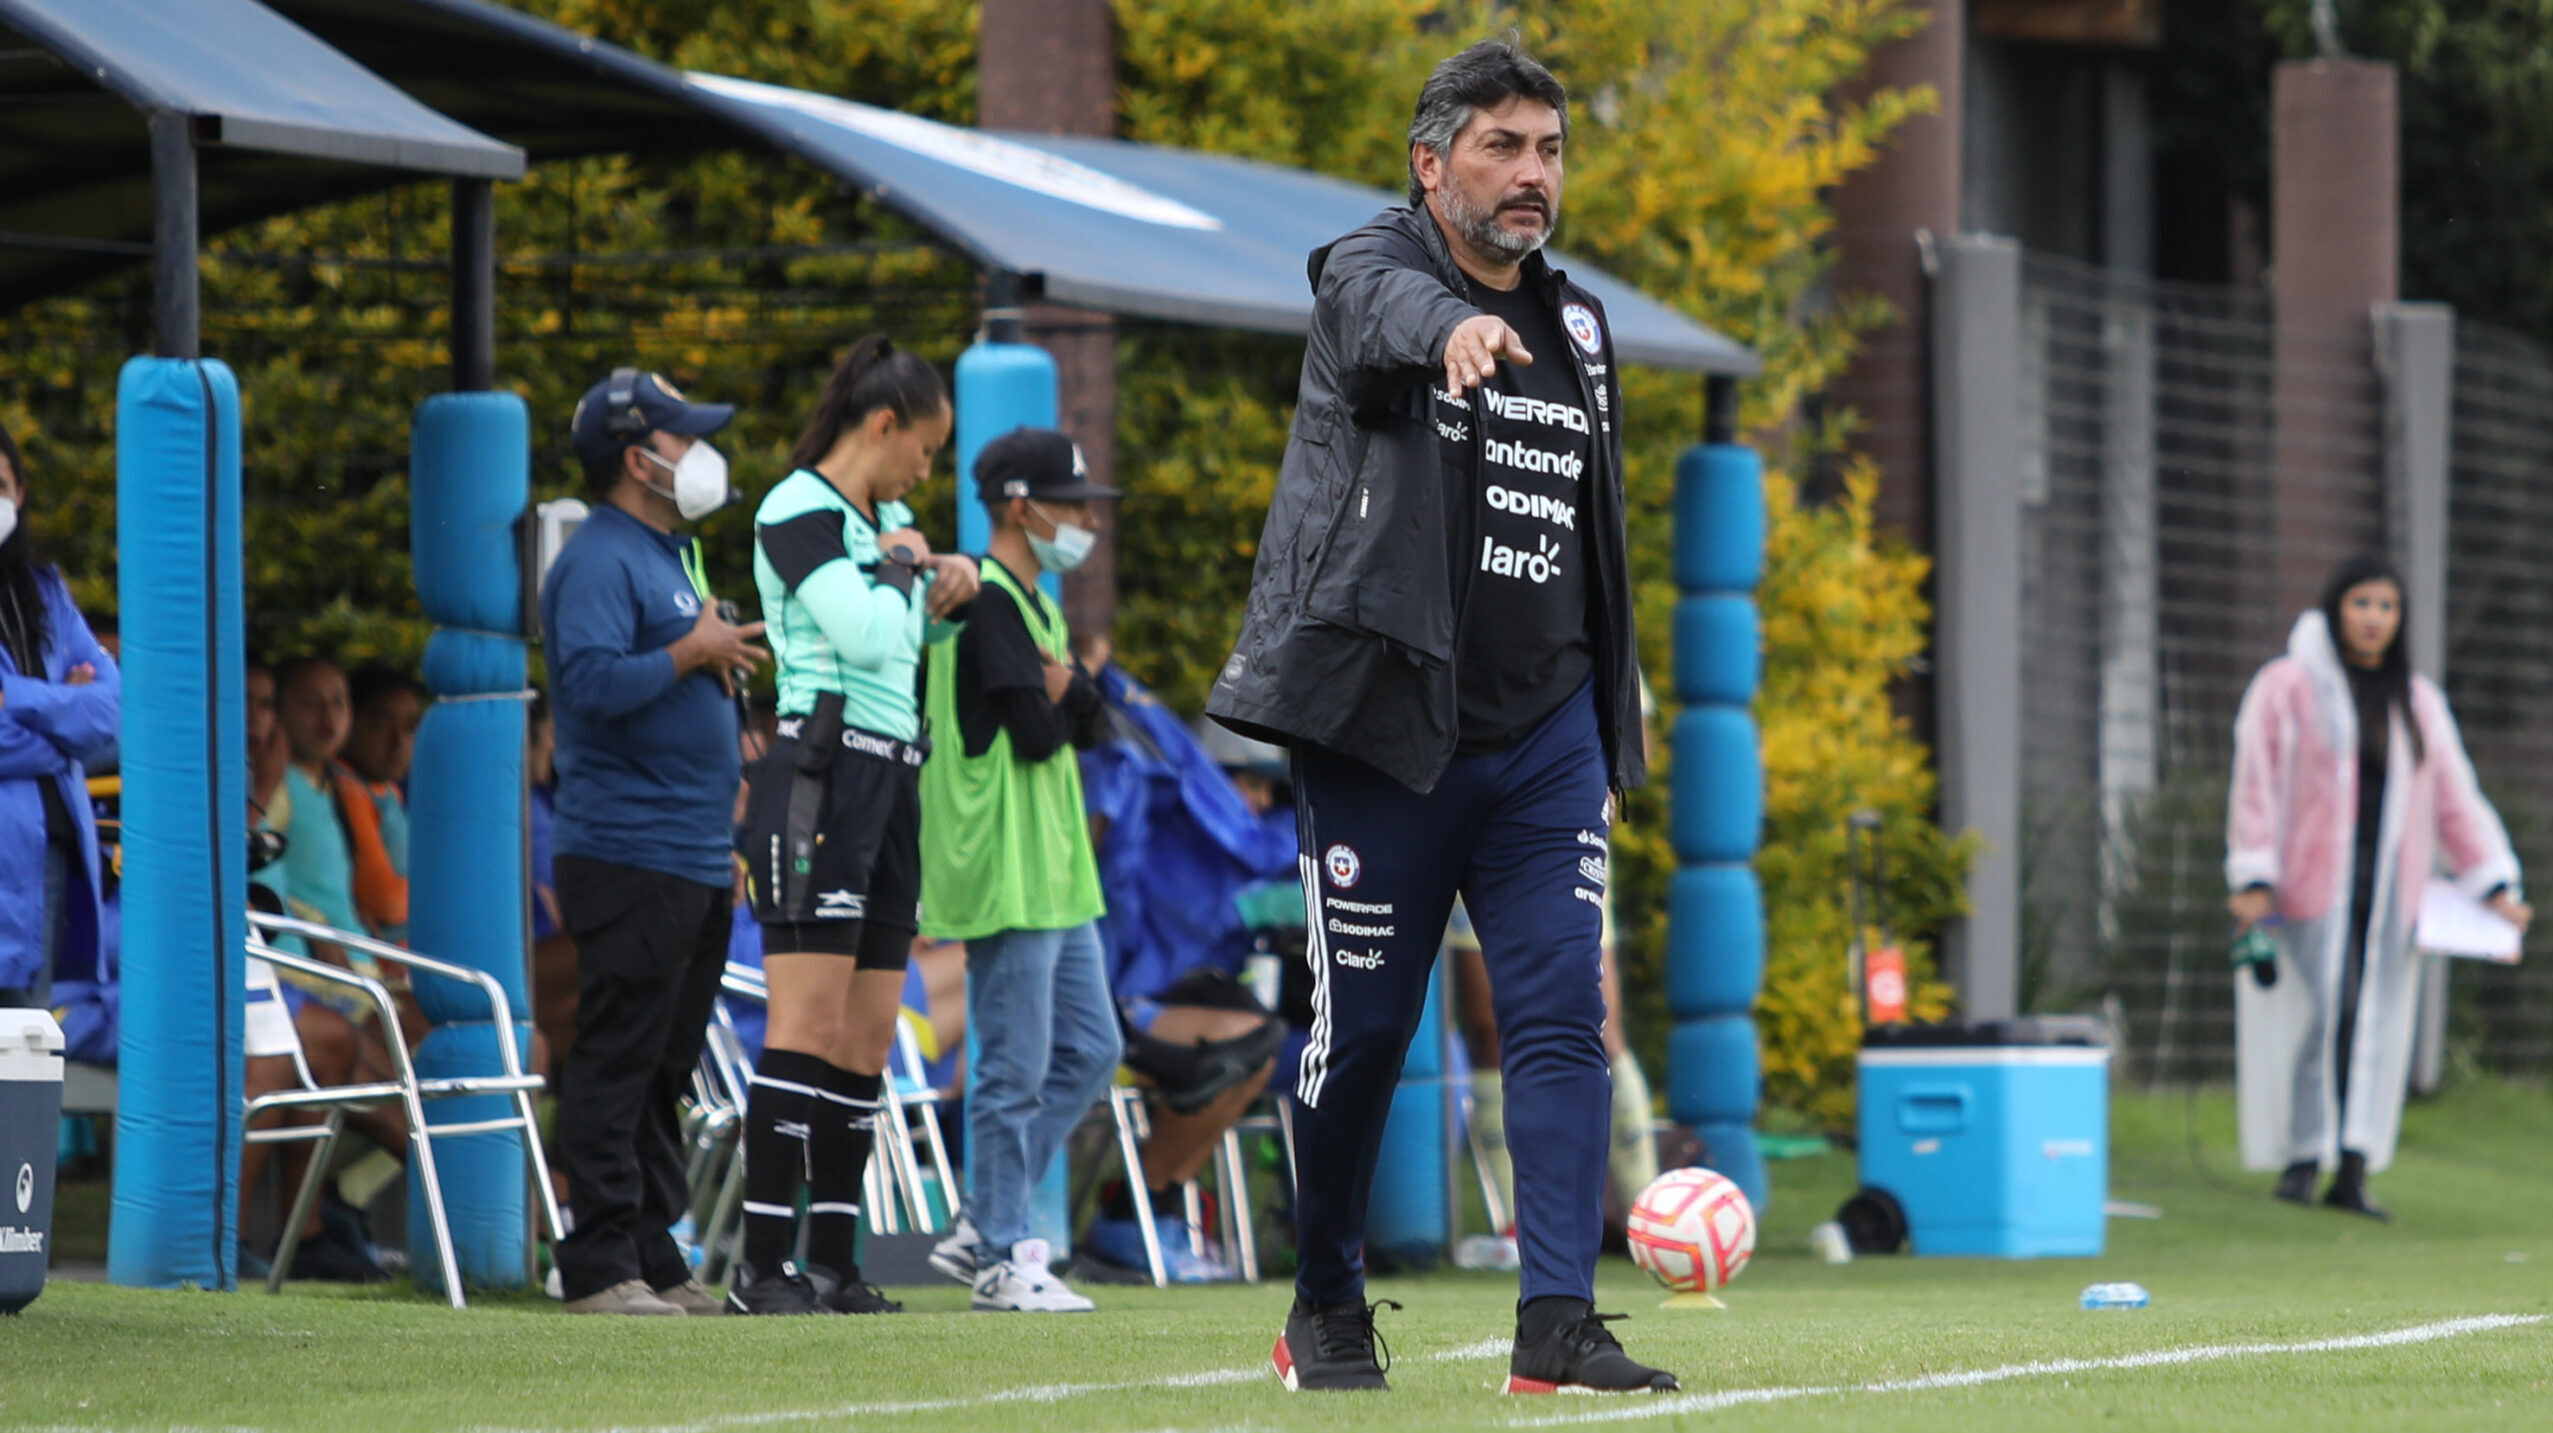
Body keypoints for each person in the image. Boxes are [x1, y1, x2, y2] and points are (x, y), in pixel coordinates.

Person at [1206, 40, 1673, 1395]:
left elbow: (1596, 541)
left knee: (1559, 1018)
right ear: (1432, 164)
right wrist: (1451, 329)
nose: (1533, 175)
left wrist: (1604, 722)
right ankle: (1327, 1299)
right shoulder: (1369, 275)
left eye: (1549, 149)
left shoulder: (1578, 327)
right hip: (1386, 733)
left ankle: (1557, 1323)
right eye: (1502, 147)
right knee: (1364, 1038)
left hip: (1546, 741)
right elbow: (1375, 317)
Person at [728, 335, 978, 1316]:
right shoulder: (796, 507)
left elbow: (908, 628)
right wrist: (917, 571)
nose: (926, 469)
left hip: (892, 779)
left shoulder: (892, 525)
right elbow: (870, 629)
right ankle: (758, 1266)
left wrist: (940, 579)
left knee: (870, 1036)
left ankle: (833, 1260)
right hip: (817, 778)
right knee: (807, 1023)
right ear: (881, 426)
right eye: (923, 447)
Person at [542, 367, 768, 1316]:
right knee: (616, 1054)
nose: (700, 455)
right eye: (684, 438)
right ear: (639, 459)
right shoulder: (598, 558)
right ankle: (595, 1262)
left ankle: (652, 1254)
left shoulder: (668, 556)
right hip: (628, 850)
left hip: (688, 854)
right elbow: (588, 687)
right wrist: (693, 653)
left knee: (666, 1063)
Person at [2227, 554, 2528, 1220]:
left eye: (2386, 606)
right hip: (2308, 890)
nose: (2372, 618)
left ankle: (2352, 1164)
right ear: (2337, 609)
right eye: (2361, 603)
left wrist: (2494, 882)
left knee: (2371, 1018)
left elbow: (2454, 798)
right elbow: (2254, 780)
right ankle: (2303, 1155)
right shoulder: (2286, 687)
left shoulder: (2415, 701)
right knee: (2324, 1011)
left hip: (2387, 892)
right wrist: (2252, 872)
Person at [917, 426, 1123, 1313]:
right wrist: (1071, 693)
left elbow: (1092, 716)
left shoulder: (1031, 602)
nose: (1085, 520)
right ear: (1018, 505)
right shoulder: (984, 598)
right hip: (1004, 864)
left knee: (1091, 1047)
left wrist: (1069, 688)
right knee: (1012, 1065)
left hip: (1053, 870)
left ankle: (982, 1222)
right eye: (1071, 503)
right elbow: (1047, 731)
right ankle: (998, 1254)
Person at [0, 420, 120, 1015]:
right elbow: (83, 726)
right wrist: (63, 719)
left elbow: (112, 713)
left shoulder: (46, 591)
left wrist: (18, 699)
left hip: (46, 859)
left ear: (19, 492)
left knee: (25, 1052)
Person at [337, 667, 423, 943]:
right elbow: (386, 903)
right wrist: (441, 889)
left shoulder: (386, 790)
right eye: (380, 726)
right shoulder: (349, 790)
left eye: (410, 728)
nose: (398, 742)